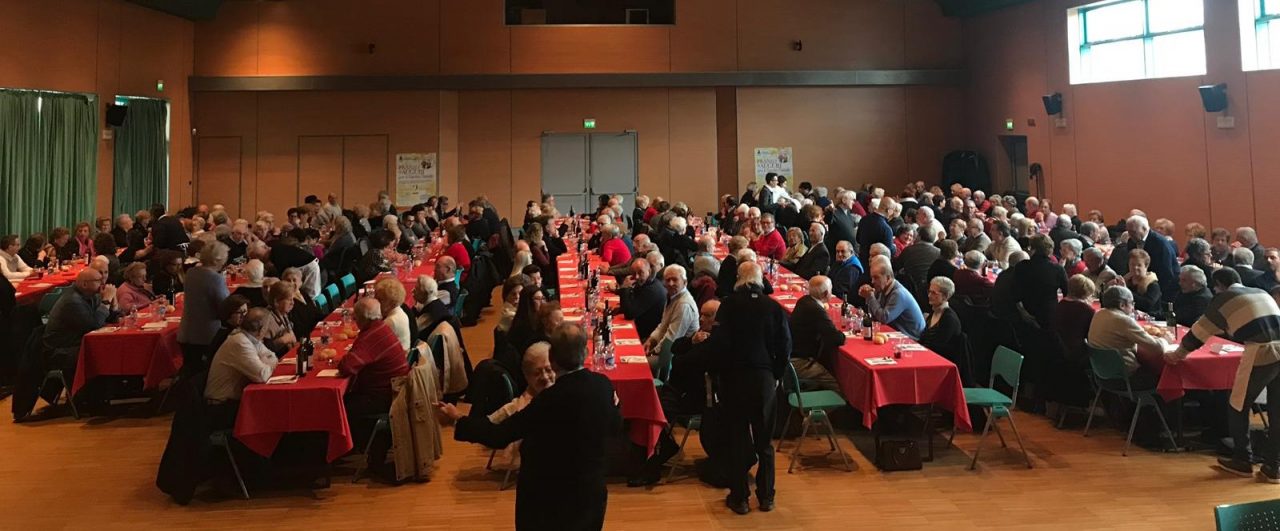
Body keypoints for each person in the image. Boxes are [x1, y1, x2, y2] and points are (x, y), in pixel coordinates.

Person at [440, 323, 622, 530]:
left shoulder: (548, 400)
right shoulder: (603, 385)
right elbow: (615, 428)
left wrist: (459, 419)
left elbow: (500, 435)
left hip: (547, 496)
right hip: (589, 493)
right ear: (586, 351)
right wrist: (617, 407)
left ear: (552, 360)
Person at [1166, 268, 1280, 482]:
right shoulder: (1259, 291)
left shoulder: (1223, 299)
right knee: (1277, 410)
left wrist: (1178, 354)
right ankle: (1274, 466)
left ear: (1219, 285)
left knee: (1237, 405)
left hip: (1261, 352)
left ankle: (1242, 460)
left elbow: (1198, 333)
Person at [709, 261, 790, 515]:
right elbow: (785, 346)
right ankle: (766, 496)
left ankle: (740, 497)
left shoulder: (729, 305)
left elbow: (719, 344)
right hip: (764, 378)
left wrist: (718, 375)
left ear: (738, 279)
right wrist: (775, 374)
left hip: (735, 379)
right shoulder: (773, 307)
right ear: (760, 279)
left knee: (738, 438)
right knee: (765, 442)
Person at [17, 269, 119, 420]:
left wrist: (113, 302)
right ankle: (93, 402)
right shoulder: (72, 301)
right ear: (85, 284)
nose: (103, 283)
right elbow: (94, 325)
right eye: (98, 280)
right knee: (98, 355)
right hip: (59, 352)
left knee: (103, 351)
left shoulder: (89, 296)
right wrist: (105, 301)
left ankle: (103, 398)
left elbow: (108, 318)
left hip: (74, 346)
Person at [340, 297, 411, 473]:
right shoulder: (382, 328)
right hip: (395, 389)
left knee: (340, 407)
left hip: (386, 396)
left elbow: (347, 367)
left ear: (362, 319)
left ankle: (345, 450)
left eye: (356, 318)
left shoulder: (371, 335)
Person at [203, 307, 279, 429]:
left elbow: (273, 357)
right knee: (272, 411)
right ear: (262, 329)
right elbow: (261, 375)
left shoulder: (249, 338)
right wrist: (265, 364)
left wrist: (264, 363)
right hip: (221, 408)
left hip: (233, 401)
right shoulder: (240, 342)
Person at [1087, 286, 1167, 387]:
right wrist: (1164, 340)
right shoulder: (1122, 320)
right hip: (1125, 378)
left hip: (1102, 375)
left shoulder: (1098, 314)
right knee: (1167, 377)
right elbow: (1157, 348)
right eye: (1132, 303)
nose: (1133, 308)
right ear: (1122, 305)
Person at [177, 242, 230, 373]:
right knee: (205, 372)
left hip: (187, 331)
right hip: (207, 333)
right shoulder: (215, 278)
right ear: (219, 260)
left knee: (189, 370)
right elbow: (225, 306)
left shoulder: (191, 273)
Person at [789, 275, 845, 392]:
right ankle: (820, 409)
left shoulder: (804, 300)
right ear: (825, 294)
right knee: (840, 389)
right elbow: (836, 338)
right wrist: (844, 333)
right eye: (831, 290)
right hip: (801, 363)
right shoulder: (815, 309)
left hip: (790, 356)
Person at [1049, 274, 1098, 406]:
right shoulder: (1087, 310)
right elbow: (1092, 336)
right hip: (1076, 354)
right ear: (1085, 293)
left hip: (1058, 351)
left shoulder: (1059, 305)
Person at [1110, 216, 1179, 305]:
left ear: (1145, 228)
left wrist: (1154, 291)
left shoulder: (1160, 244)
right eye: (1129, 232)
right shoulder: (1132, 241)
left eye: (1133, 232)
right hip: (1141, 284)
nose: (1130, 235)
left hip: (1163, 287)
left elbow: (1166, 273)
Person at [645, 265, 699, 372]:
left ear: (685, 282)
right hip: (666, 349)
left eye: (675, 279)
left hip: (676, 357)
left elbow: (672, 338)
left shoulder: (684, 305)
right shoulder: (672, 296)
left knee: (637, 365)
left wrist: (652, 351)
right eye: (667, 280)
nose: (670, 284)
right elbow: (663, 325)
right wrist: (651, 340)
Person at [859, 257, 926, 339]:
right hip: (896, 334)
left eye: (876, 277)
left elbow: (883, 318)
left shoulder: (898, 293)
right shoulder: (882, 288)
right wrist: (868, 297)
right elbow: (874, 317)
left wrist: (870, 297)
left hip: (911, 339)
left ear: (888, 278)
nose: (872, 281)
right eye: (872, 277)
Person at [617, 259, 666, 341]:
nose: (636, 276)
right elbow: (630, 302)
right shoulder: (646, 282)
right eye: (633, 273)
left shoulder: (652, 289)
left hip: (647, 336)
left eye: (640, 272)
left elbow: (629, 314)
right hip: (639, 327)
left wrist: (625, 288)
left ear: (649, 271)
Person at [895, 225, 940, 296]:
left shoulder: (909, 250)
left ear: (919, 236)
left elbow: (896, 266)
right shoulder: (939, 253)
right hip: (930, 290)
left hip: (909, 289)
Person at [857, 197, 895, 266]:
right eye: (893, 211)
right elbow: (888, 253)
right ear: (889, 211)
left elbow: (858, 239)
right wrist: (894, 247)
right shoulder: (886, 229)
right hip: (875, 265)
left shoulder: (864, 219)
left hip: (861, 260)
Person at [1125, 249, 1163, 318]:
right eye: (1132, 264)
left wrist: (1125, 290)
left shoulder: (1153, 284)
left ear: (1146, 266)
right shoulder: (1127, 280)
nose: (1135, 267)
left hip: (1150, 320)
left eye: (1139, 265)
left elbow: (1146, 305)